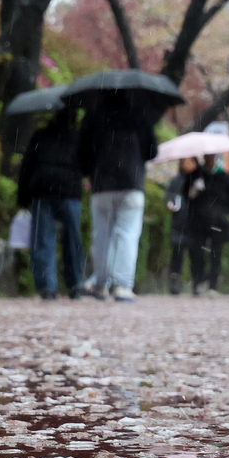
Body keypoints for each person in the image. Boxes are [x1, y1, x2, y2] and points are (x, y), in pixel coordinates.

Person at [78, 92, 157, 302]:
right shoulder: (138, 115)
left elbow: (81, 151)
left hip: (101, 184)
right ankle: (123, 286)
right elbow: (152, 150)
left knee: (101, 235)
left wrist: (91, 170)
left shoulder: (93, 116)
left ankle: (100, 283)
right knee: (128, 234)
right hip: (131, 182)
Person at [16, 110, 84, 300]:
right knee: (72, 239)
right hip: (69, 191)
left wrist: (22, 198)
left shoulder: (41, 136)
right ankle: (75, 283)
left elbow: (27, 166)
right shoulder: (77, 137)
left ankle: (47, 285)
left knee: (43, 239)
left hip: (43, 189)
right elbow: (86, 164)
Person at [183, 154, 229, 296]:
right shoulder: (196, 174)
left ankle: (213, 285)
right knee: (197, 251)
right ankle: (198, 281)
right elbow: (186, 196)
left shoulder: (224, 177)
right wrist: (193, 191)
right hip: (198, 220)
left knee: (216, 252)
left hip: (218, 221)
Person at [165, 158, 198, 295]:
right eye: (185, 162)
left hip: (195, 224)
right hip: (178, 223)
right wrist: (170, 204)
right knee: (177, 252)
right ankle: (175, 280)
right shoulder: (176, 181)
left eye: (191, 162)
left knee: (195, 254)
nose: (188, 165)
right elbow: (169, 197)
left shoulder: (199, 181)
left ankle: (197, 281)